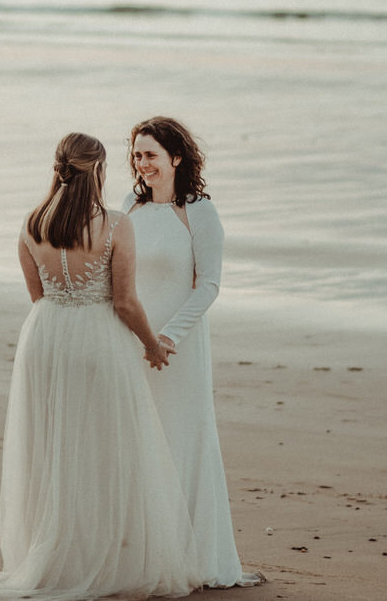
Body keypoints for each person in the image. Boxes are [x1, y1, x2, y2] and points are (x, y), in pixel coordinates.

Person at [0, 132, 202, 601]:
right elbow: (124, 302)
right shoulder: (117, 225)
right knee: (105, 449)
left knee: (54, 447)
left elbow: (38, 295)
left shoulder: (31, 222)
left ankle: (58, 548)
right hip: (97, 339)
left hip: (45, 337)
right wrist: (153, 346)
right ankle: (100, 556)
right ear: (98, 171)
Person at [124, 117, 261, 589]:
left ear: (176, 158)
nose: (142, 165)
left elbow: (209, 287)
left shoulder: (199, 211)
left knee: (183, 435)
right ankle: (147, 553)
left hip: (178, 347)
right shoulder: (130, 207)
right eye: (137, 155)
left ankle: (195, 556)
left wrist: (169, 337)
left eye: (151, 155)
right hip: (133, 339)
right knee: (142, 441)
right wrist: (135, 334)